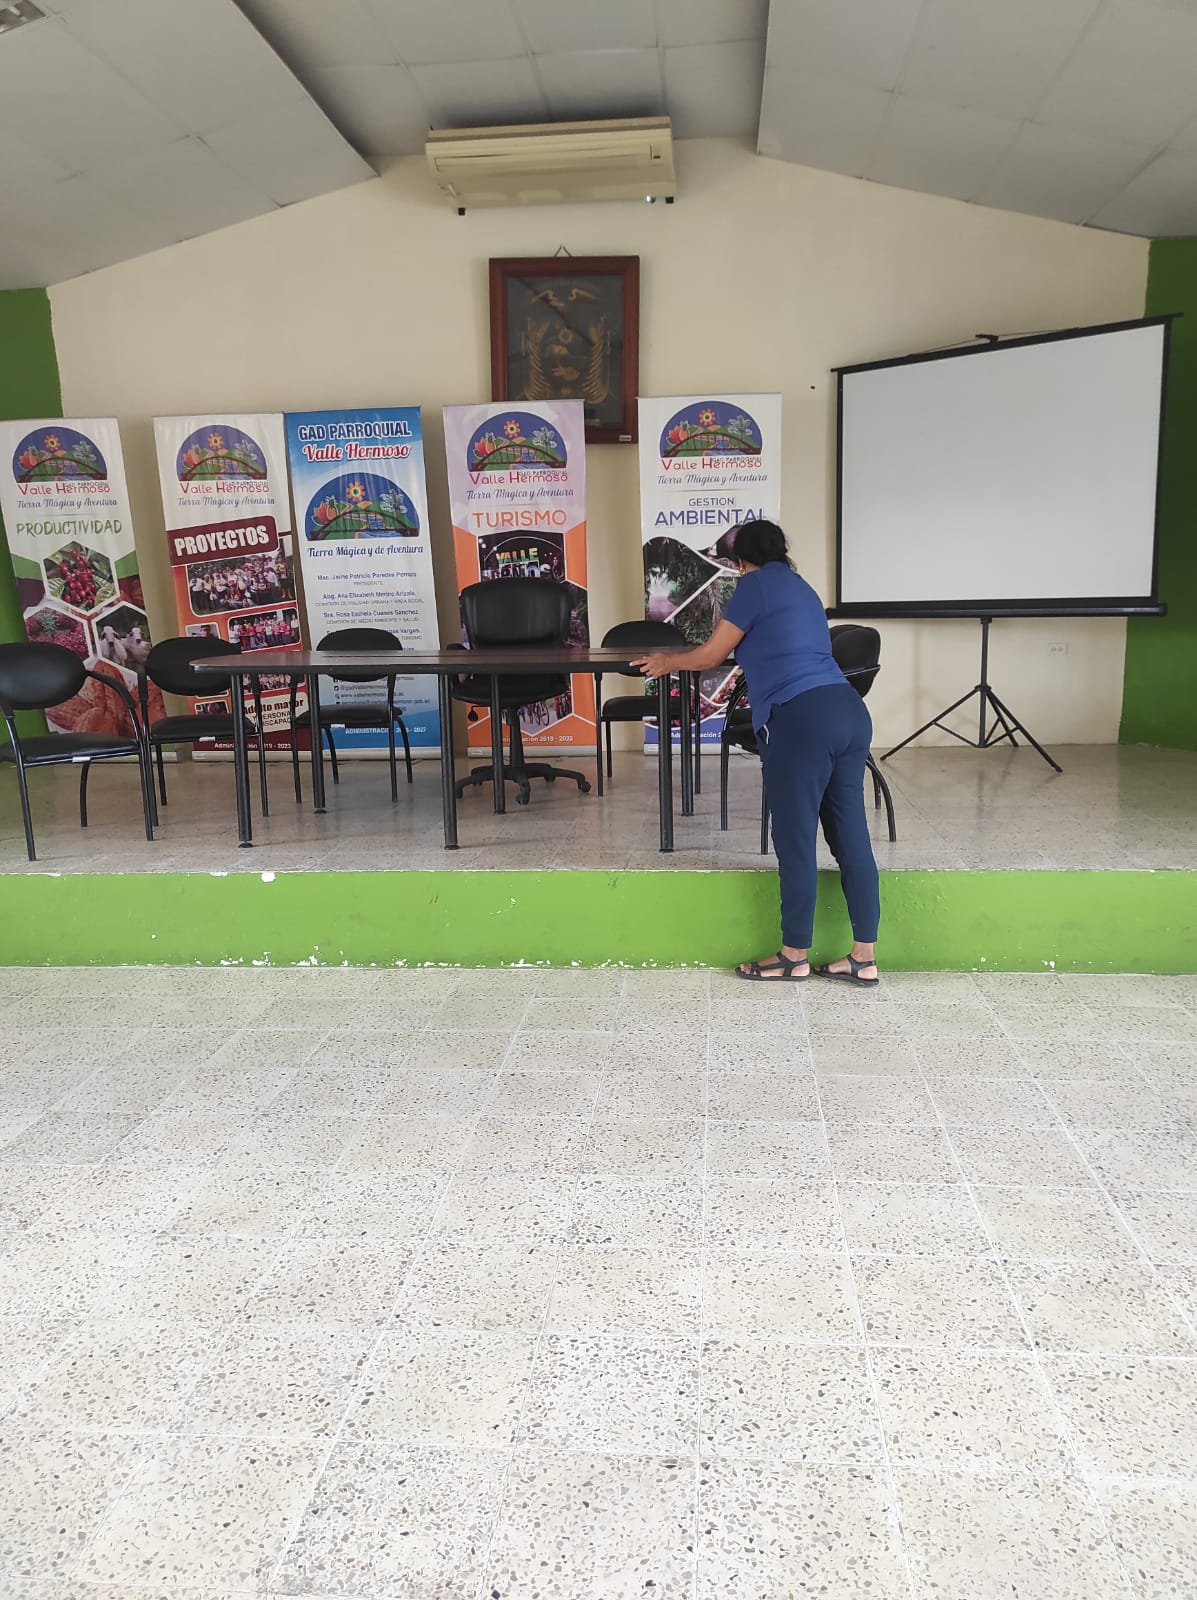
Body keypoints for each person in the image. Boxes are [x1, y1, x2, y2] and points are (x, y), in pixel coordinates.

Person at [631, 518, 880, 986]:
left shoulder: (754, 585)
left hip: (801, 718)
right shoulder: (802, 588)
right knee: (852, 839)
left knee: (795, 840)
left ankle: (793, 955)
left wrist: (667, 662)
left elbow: (711, 655)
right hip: (848, 712)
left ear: (741, 560)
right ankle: (863, 958)